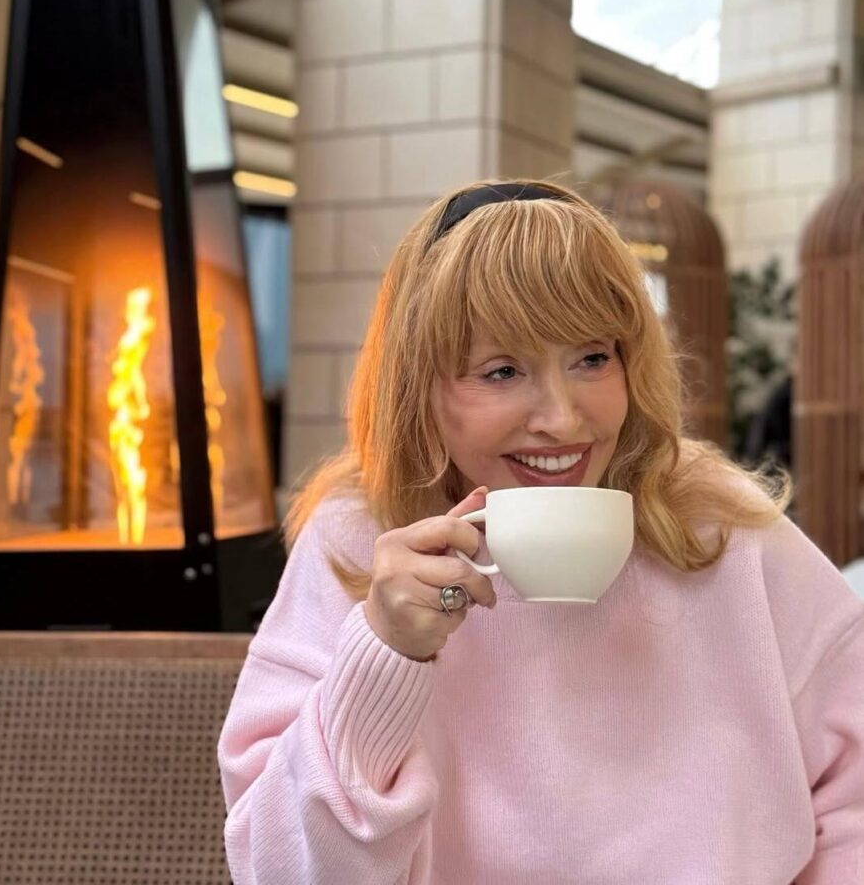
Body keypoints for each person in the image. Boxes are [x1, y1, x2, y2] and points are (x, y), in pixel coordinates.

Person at [218, 179, 864, 884]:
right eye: (501, 371)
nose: (561, 418)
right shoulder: (358, 540)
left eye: (592, 358)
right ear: (416, 388)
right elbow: (277, 871)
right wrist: (384, 653)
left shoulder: (722, 527)